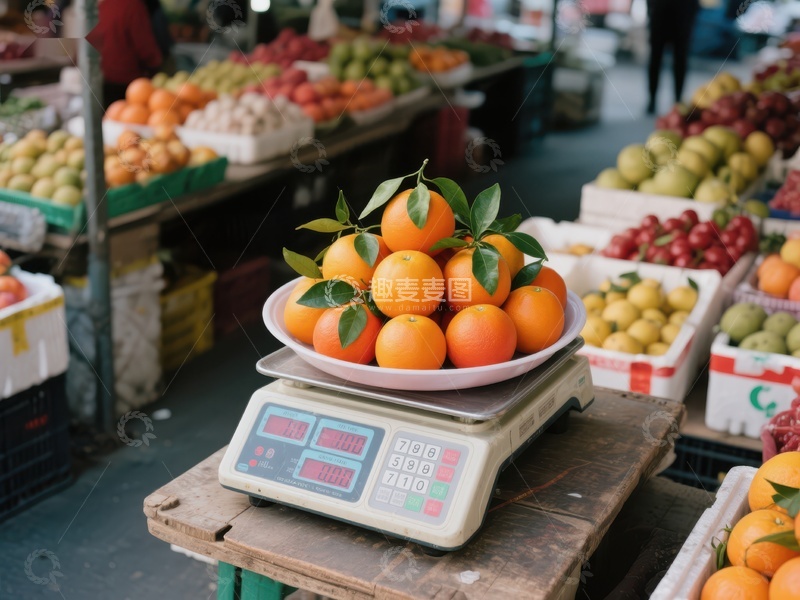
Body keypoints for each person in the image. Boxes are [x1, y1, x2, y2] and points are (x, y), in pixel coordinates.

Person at [85, 0, 164, 107]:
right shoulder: (131, 5)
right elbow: (147, 50)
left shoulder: (92, 7)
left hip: (96, 85)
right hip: (127, 88)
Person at [646, 0, 700, 115]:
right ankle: (653, 100)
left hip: (681, 11)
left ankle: (677, 100)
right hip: (662, 10)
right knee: (656, 59)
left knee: (679, 60)